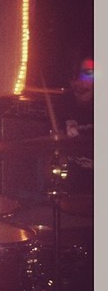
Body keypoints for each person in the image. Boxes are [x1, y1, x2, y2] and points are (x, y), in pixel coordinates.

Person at [57, 57, 94, 196]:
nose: (79, 83)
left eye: (88, 74)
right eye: (73, 77)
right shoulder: (66, 104)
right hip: (76, 189)